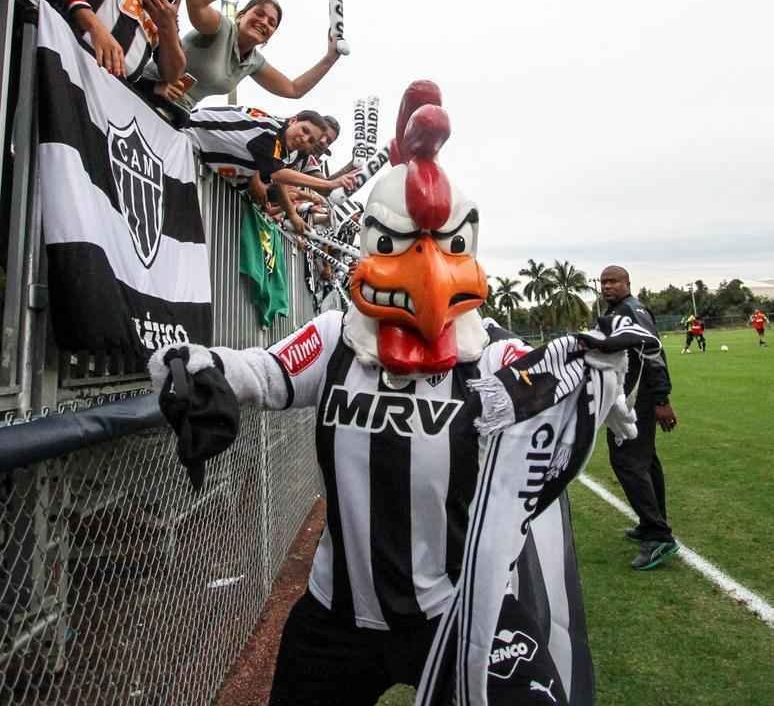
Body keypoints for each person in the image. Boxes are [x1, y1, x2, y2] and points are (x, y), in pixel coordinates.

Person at [148, 83, 649, 706]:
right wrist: (191, 361)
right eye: (397, 245)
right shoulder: (335, 339)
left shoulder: (490, 355)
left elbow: (556, 376)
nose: (429, 272)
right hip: (338, 614)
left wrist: (608, 381)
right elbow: (261, 370)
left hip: (454, 614)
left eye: (449, 247)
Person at [151, 0, 344, 110]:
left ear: (270, 36)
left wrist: (330, 58)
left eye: (271, 23)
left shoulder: (254, 62)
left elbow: (293, 90)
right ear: (240, 16)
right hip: (145, 90)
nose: (263, 22)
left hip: (176, 114)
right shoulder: (221, 27)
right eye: (259, 14)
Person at [600, 265, 679, 570]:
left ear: (627, 283)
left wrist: (661, 399)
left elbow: (653, 353)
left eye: (614, 281)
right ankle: (652, 524)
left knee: (627, 462)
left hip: (636, 400)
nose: (607, 286)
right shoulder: (620, 310)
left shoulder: (632, 310)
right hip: (632, 397)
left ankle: (658, 536)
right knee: (645, 461)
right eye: (604, 282)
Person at [185, 106, 357, 235]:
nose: (305, 139)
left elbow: (279, 176)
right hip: (184, 141)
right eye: (305, 130)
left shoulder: (287, 147)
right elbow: (278, 174)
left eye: (312, 139)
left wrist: (293, 214)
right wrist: (329, 183)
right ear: (293, 120)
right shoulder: (272, 130)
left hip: (193, 156)